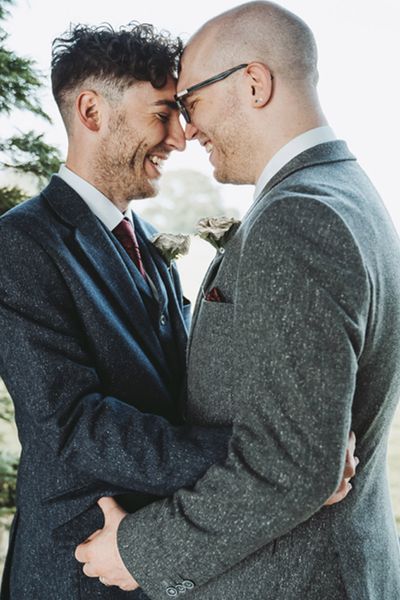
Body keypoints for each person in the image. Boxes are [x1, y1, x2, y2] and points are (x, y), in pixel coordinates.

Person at [76, 2, 400, 599]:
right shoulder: (349, 193)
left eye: (192, 101)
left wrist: (140, 551)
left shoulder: (298, 216)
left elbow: (295, 465)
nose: (187, 129)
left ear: (254, 83)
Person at [0, 23, 238, 600]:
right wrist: (254, 457)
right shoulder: (20, 245)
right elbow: (73, 427)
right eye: (162, 113)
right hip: (74, 572)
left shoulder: (149, 242)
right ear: (90, 110)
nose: (180, 138)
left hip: (157, 558)